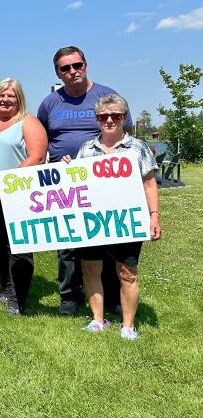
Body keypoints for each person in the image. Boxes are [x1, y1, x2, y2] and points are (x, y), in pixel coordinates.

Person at [37, 46, 133, 316]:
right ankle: (70, 295)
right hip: (64, 181)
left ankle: (113, 295)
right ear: (58, 72)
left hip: (105, 179)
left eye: (76, 65)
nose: (72, 71)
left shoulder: (106, 95)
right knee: (67, 241)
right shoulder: (50, 103)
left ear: (86, 65)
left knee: (109, 237)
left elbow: (125, 135)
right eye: (65, 68)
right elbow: (41, 139)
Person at [64, 93, 160, 339]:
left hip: (127, 220)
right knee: (90, 268)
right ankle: (98, 320)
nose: (109, 120)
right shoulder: (86, 148)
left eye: (115, 115)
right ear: (97, 119)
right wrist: (68, 169)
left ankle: (127, 325)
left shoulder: (137, 148)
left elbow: (150, 185)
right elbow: (77, 184)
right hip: (92, 221)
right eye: (103, 116)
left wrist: (154, 216)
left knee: (127, 271)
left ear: (124, 118)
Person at [0, 78, 47, 315]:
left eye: (12, 96)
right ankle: (6, 289)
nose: (6, 100)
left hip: (20, 194)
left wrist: (7, 185)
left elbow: (36, 156)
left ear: (19, 99)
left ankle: (18, 299)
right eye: (1, 95)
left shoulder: (28, 122)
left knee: (20, 247)